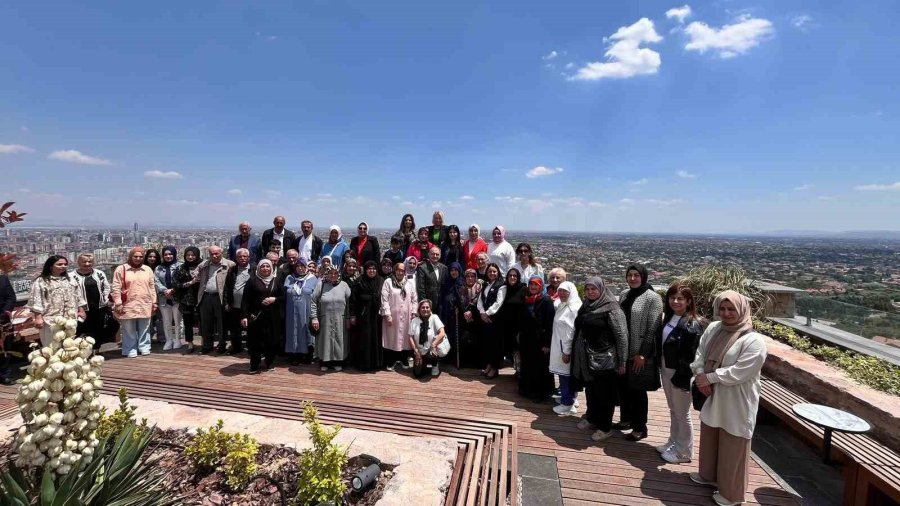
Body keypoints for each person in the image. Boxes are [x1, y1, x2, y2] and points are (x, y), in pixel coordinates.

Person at [689, 291, 767, 506]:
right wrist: (698, 375)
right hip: (711, 393)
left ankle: (731, 493)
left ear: (742, 310)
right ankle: (708, 476)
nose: (726, 313)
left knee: (733, 442)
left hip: (736, 400)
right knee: (711, 435)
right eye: (722, 309)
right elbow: (700, 354)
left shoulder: (753, 340)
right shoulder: (715, 328)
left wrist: (708, 378)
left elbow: (740, 371)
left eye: (731, 309)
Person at [571, 277, 629, 442]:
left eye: (594, 289)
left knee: (605, 394)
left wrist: (622, 361)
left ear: (602, 290)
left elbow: (622, 336)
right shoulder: (587, 306)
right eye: (588, 289)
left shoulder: (611, 308)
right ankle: (592, 417)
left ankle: (605, 427)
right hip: (587, 358)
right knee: (591, 389)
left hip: (606, 360)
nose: (590, 292)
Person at [657, 284, 704, 464]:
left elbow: (691, 355)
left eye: (680, 298)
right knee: (673, 409)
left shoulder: (692, 324)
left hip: (680, 373)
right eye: (672, 298)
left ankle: (684, 452)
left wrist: (682, 378)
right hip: (667, 369)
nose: (675, 301)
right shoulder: (670, 318)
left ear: (689, 301)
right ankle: (673, 442)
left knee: (682, 413)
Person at [617, 264, 664, 441]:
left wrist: (643, 354)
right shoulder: (624, 294)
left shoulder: (653, 298)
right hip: (623, 350)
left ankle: (639, 427)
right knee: (623, 388)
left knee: (637, 390)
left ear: (643, 277)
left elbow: (653, 328)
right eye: (630, 275)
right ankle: (626, 420)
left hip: (638, 352)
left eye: (636, 275)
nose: (633, 278)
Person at [28, 255, 87, 347]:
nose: (63, 266)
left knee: (69, 345)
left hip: (70, 319)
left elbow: (78, 296)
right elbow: (36, 299)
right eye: (59, 264)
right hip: (50, 320)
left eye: (65, 264)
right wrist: (38, 317)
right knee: (51, 346)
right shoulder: (41, 281)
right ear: (51, 266)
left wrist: (82, 310)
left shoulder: (70, 280)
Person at [111, 247, 157, 357]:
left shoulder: (147, 269)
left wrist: (154, 302)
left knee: (145, 327)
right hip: (127, 303)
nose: (138, 258)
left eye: (141, 257)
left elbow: (152, 287)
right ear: (130, 256)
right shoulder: (121, 269)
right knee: (128, 328)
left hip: (144, 302)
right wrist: (118, 302)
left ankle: (144, 346)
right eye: (135, 256)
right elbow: (116, 287)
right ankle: (130, 348)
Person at [240, 259, 284, 373]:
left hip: (273, 317)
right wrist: (244, 316)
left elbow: (284, 297)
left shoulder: (277, 280)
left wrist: (274, 299)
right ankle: (254, 364)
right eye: (263, 266)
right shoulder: (252, 281)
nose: (265, 268)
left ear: (271, 268)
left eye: (267, 266)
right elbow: (245, 300)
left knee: (271, 340)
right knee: (255, 341)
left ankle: (269, 363)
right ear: (259, 268)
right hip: (256, 317)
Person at [517, 276, 555, 402]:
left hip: (540, 340)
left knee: (540, 367)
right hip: (527, 339)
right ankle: (527, 390)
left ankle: (541, 393)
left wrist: (546, 344)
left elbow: (549, 324)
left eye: (536, 285)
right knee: (527, 365)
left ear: (541, 286)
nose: (533, 287)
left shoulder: (546, 300)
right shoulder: (526, 299)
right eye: (531, 284)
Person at [310, 266, 352, 372]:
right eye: (330, 273)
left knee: (339, 340)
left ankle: (338, 362)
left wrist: (347, 318)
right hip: (325, 318)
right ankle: (325, 362)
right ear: (327, 274)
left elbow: (349, 303)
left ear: (339, 274)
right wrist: (314, 318)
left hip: (340, 318)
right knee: (325, 341)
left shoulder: (344, 285)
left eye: (335, 273)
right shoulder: (321, 285)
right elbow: (314, 301)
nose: (333, 275)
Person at [550, 282, 583, 415]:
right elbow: (555, 301)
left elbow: (571, 332)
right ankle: (571, 399)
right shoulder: (564, 305)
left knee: (565, 376)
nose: (562, 294)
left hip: (565, 348)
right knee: (566, 376)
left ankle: (567, 404)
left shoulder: (573, 309)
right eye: (560, 291)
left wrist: (567, 351)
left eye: (565, 291)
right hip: (560, 346)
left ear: (572, 293)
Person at [196, 246, 236, 354]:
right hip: (206, 296)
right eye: (212, 254)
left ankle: (221, 345)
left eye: (217, 253)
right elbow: (195, 276)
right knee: (206, 322)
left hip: (220, 297)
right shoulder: (204, 264)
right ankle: (207, 345)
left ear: (221, 253)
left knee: (222, 323)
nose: (214, 256)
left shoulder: (229, 264)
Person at [70, 253, 114, 350]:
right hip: (81, 309)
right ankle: (81, 353)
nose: (87, 264)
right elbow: (71, 293)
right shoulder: (71, 276)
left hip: (99, 308)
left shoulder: (99, 274)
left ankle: (96, 352)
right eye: (84, 262)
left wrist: (106, 300)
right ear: (78, 262)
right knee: (81, 331)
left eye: (90, 262)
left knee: (98, 330)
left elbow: (106, 288)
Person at [380, 261, 417, 371]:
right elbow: (384, 299)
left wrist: (414, 313)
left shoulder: (409, 283)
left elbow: (414, 299)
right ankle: (391, 361)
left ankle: (403, 359)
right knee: (392, 338)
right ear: (394, 271)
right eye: (398, 270)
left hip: (407, 316)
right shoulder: (388, 282)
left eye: (402, 270)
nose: (400, 272)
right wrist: (387, 314)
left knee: (405, 339)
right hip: (392, 315)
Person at [349, 261, 383, 371]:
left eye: (374, 268)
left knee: (376, 338)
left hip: (377, 315)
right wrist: (353, 315)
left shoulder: (381, 281)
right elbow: (353, 300)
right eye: (369, 268)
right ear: (365, 269)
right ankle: (364, 364)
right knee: (364, 339)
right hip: (363, 315)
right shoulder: (359, 281)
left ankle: (376, 364)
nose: (372, 271)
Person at [284, 259, 318, 365]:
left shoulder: (313, 279)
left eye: (302, 266)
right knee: (292, 332)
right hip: (291, 311)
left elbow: (316, 297)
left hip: (306, 311)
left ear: (306, 267)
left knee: (306, 331)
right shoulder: (290, 278)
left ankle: (307, 355)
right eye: (298, 266)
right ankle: (294, 355)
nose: (300, 268)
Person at [476, 263, 506, 379]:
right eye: (490, 272)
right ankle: (488, 365)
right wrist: (482, 312)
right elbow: (480, 300)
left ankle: (494, 368)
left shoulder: (502, 285)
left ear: (498, 272)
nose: (492, 273)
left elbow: (498, 303)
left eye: (494, 271)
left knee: (495, 344)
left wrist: (487, 313)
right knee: (487, 344)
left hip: (495, 319)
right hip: (485, 319)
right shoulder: (486, 285)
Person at [222, 248, 254, 355]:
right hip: (234, 304)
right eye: (240, 256)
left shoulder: (254, 269)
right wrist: (226, 303)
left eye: (245, 256)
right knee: (234, 329)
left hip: (250, 306)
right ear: (236, 258)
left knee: (251, 328)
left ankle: (251, 348)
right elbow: (226, 287)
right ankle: (236, 347)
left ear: (249, 257)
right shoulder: (232, 270)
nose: (243, 258)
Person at [408, 299, 448, 378]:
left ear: (430, 308)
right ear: (419, 309)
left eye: (427, 307)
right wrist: (416, 351)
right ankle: (423, 364)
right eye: (423, 307)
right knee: (417, 374)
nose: (425, 309)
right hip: (419, 351)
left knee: (432, 355)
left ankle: (435, 364)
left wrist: (433, 344)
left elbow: (442, 333)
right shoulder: (414, 321)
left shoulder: (434, 317)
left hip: (431, 350)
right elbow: (410, 337)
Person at [497, 267, 526, 375]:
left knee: (519, 349)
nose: (512, 277)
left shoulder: (523, 289)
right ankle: (516, 368)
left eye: (515, 276)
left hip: (519, 326)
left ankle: (520, 372)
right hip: (506, 326)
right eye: (510, 275)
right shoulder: (504, 289)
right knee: (512, 349)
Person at [153, 246, 183, 350]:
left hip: (177, 297)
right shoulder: (159, 268)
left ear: (174, 254)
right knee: (166, 321)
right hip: (164, 298)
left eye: (170, 254)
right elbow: (156, 281)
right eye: (165, 254)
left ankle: (178, 340)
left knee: (178, 320)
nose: (168, 256)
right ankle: (169, 340)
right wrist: (165, 290)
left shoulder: (180, 266)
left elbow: (182, 280)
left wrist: (173, 290)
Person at [173, 246, 202, 353]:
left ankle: (204, 342)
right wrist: (190, 283)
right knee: (187, 322)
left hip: (201, 298)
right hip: (186, 300)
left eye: (193, 255)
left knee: (203, 321)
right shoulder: (181, 268)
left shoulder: (203, 266)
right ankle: (190, 343)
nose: (190, 257)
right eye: (188, 255)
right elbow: (176, 284)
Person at [437, 262, 463, 367]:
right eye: (452, 270)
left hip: (456, 314)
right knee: (445, 334)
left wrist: (458, 307)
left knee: (455, 336)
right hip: (445, 312)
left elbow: (462, 299)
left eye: (456, 270)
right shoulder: (446, 282)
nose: (454, 272)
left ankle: (455, 359)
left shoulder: (461, 282)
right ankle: (445, 357)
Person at [457, 269, 483, 369]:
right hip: (464, 318)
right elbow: (459, 303)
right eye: (468, 276)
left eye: (472, 276)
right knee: (464, 339)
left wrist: (472, 313)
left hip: (476, 318)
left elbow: (480, 303)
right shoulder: (461, 289)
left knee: (476, 341)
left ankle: (477, 362)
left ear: (476, 278)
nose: (470, 278)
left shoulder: (480, 288)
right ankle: (465, 361)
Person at [144, 249, 164, 343]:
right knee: (148, 317)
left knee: (160, 317)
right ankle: (149, 336)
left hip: (160, 295)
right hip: (146, 296)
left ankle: (162, 336)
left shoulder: (161, 268)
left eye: (154, 257)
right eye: (150, 256)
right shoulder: (142, 268)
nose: (152, 259)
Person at [0, 273, 17, 384]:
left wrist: (3, 314)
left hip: (3, 321)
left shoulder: (3, 279)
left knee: (5, 348)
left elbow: (11, 298)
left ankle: (3, 374)